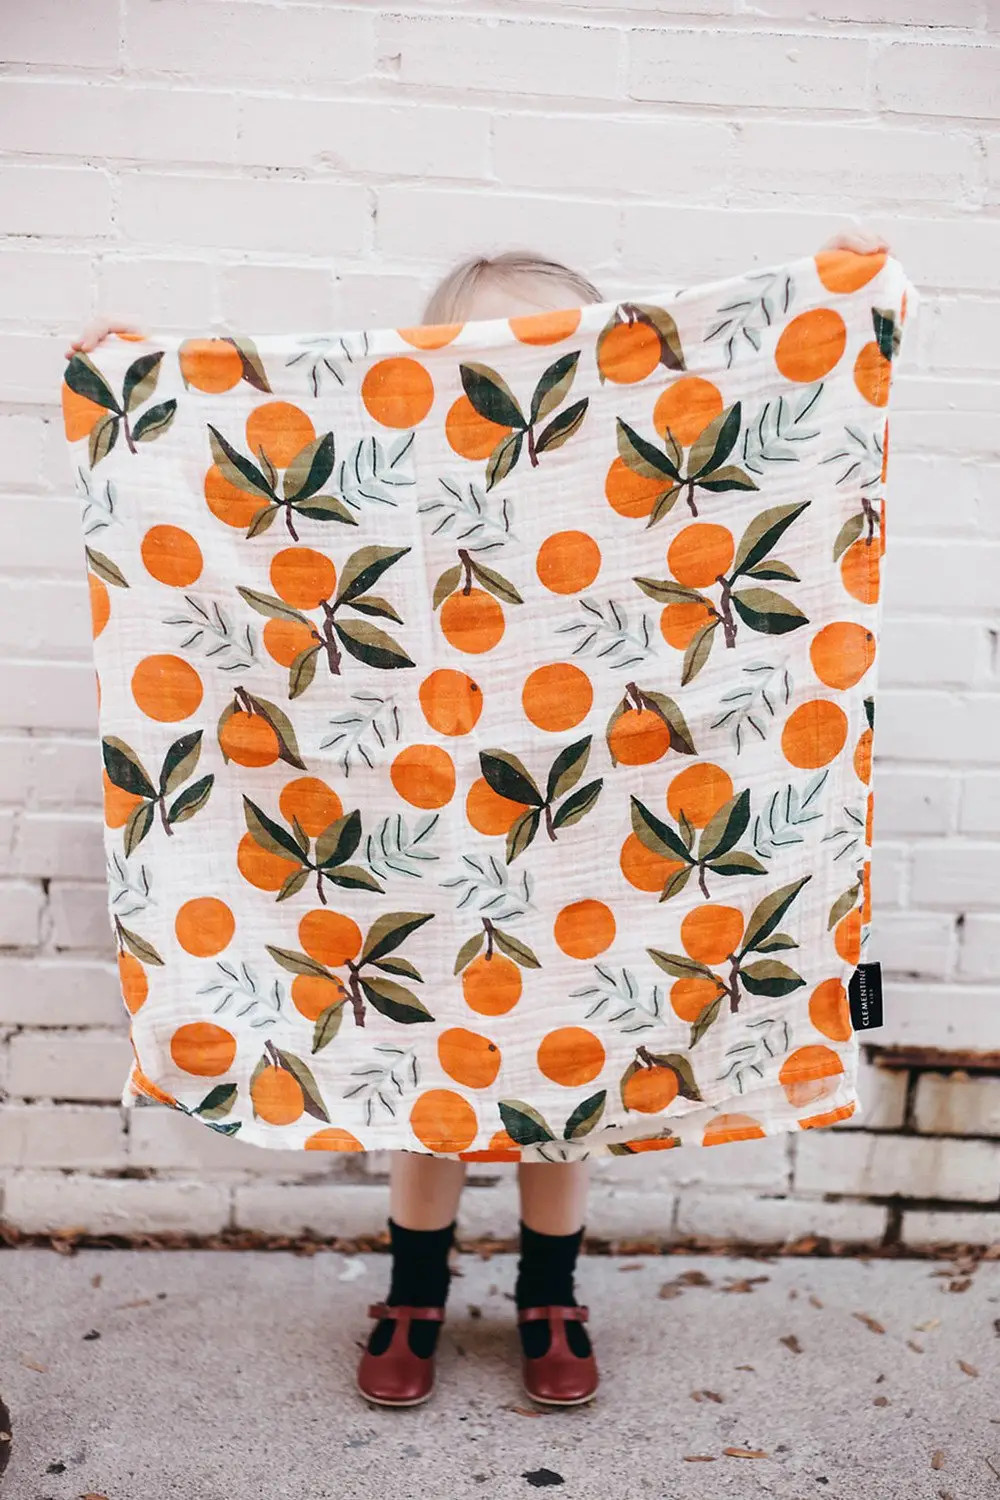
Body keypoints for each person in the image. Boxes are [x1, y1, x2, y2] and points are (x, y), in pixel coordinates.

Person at [68, 224, 890, 1411]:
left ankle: (550, 1292)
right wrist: (139, 382)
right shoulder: (392, 463)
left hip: (589, 832)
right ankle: (414, 1289)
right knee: (427, 1083)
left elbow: (749, 441)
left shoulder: (615, 465)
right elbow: (258, 484)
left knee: (568, 1081)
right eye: (482, 354)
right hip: (421, 828)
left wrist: (839, 295)